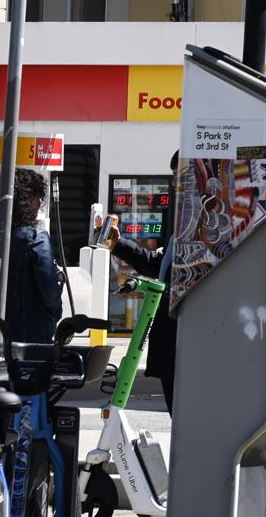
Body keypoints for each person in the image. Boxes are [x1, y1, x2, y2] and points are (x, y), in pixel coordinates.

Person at [94, 153, 179, 410]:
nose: (175, 184)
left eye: (180, 175)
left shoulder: (201, 228)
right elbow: (156, 264)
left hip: (184, 344)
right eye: (174, 177)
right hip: (171, 343)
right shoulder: (185, 227)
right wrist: (118, 243)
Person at [0, 169, 64, 345]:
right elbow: (51, 294)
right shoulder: (36, 240)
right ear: (30, 201)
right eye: (37, 199)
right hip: (28, 339)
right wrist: (54, 313)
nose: (38, 205)